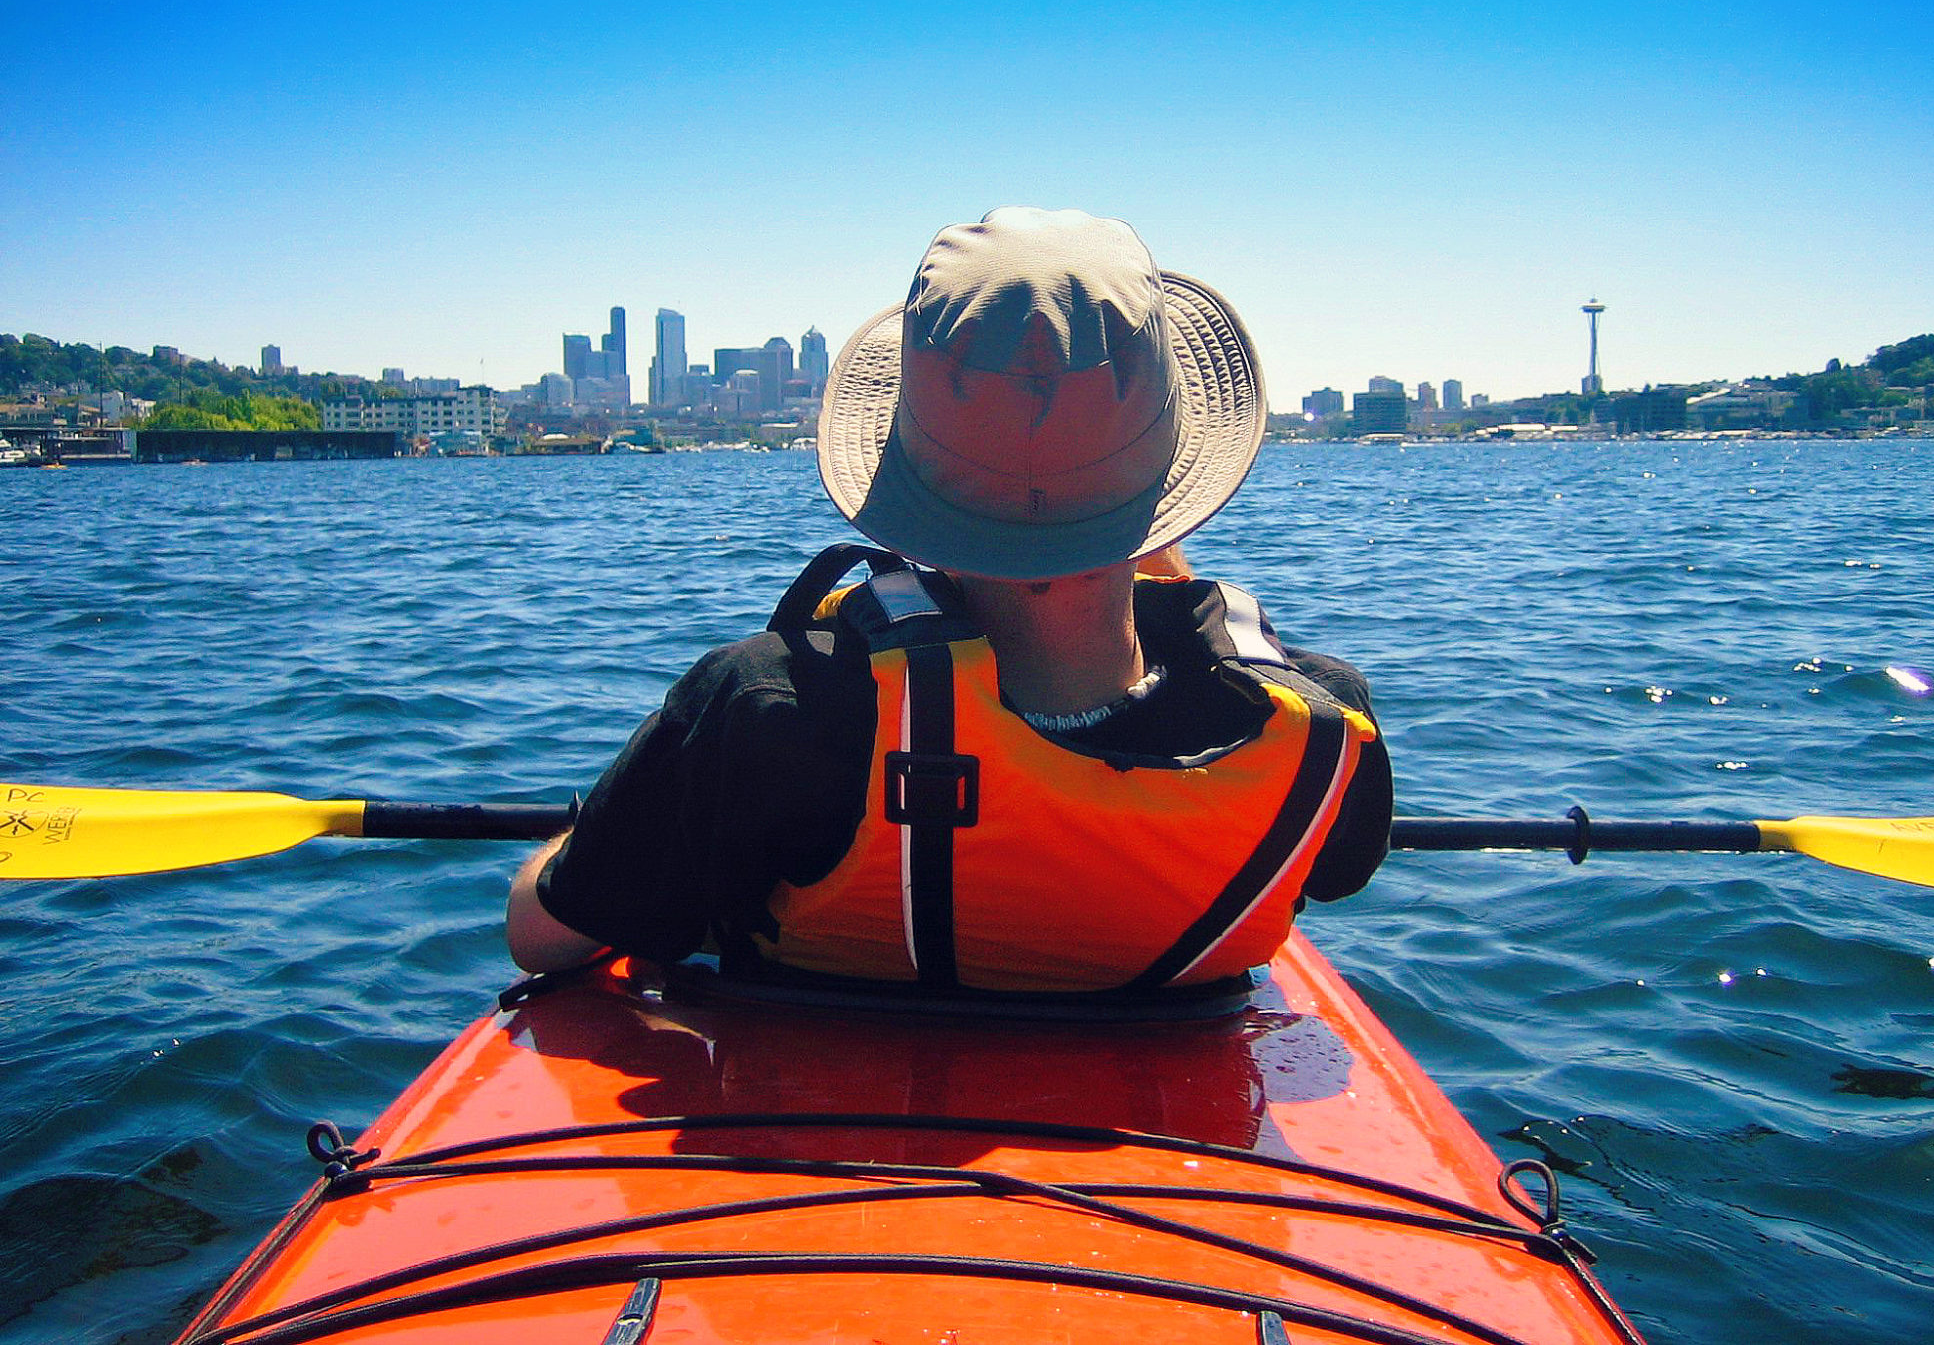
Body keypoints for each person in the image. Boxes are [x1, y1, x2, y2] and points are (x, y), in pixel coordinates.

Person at [508, 206, 1392, 995]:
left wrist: (609, 834)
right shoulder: (1316, 726)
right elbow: (1335, 873)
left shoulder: (770, 710)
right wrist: (1108, 502)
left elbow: (541, 937)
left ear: (909, 494)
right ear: (1175, 478)